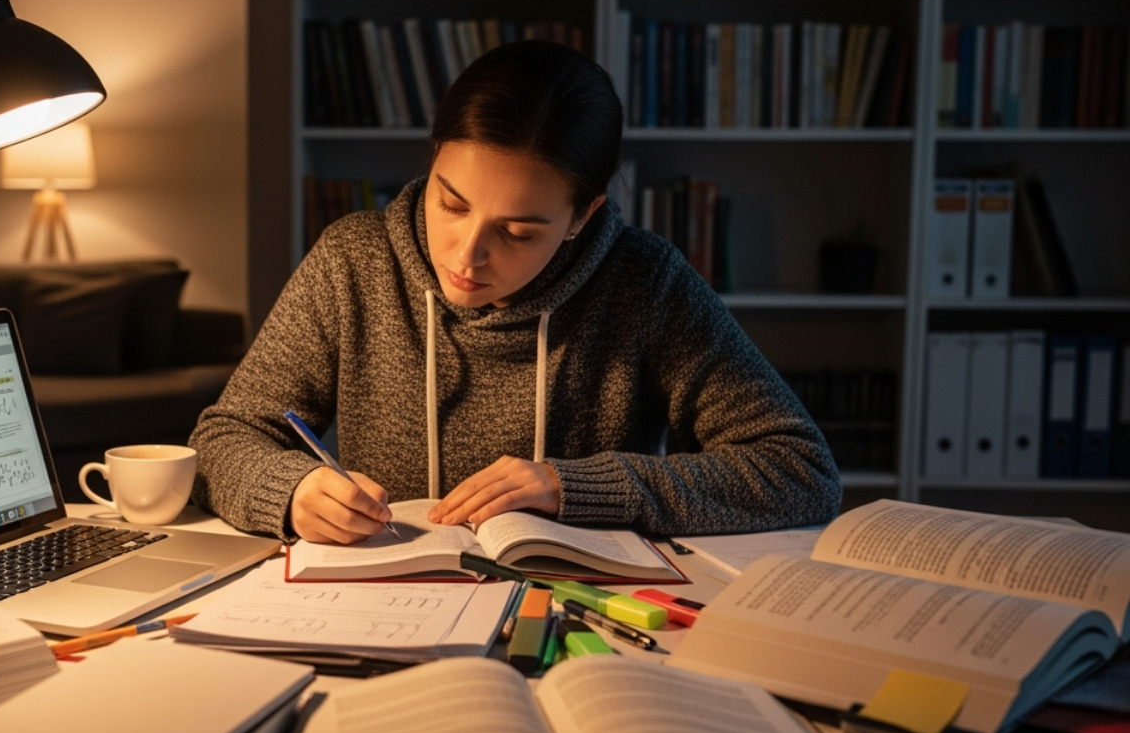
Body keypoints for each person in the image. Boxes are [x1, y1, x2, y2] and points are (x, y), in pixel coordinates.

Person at [191, 40, 840, 544]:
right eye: (451, 203)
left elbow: (800, 472)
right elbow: (223, 439)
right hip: (390, 609)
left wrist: (573, 486)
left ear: (582, 216)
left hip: (582, 619)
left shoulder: (645, 282)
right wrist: (293, 490)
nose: (466, 254)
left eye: (520, 231)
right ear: (434, 156)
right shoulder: (353, 261)